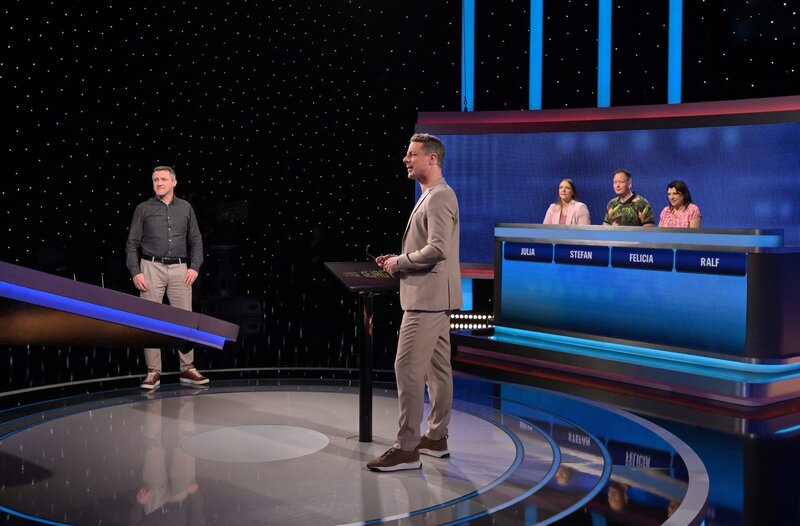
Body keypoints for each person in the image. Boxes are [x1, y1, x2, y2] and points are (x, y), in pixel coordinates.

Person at [367, 133, 462, 472]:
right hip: (436, 297)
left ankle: (407, 448)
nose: (406, 159)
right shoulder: (434, 195)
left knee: (407, 368)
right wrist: (400, 257)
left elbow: (437, 250)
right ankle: (436, 438)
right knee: (438, 371)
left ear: (431, 159)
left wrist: (400, 263)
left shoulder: (439, 197)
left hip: (426, 300)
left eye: (412, 154)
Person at [126, 166, 209, 390]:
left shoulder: (185, 207)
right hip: (150, 267)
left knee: (185, 320)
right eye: (155, 180)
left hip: (180, 269)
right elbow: (132, 243)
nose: (159, 183)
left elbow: (196, 240)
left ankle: (187, 368)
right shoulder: (143, 208)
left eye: (163, 179)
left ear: (174, 182)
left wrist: (194, 267)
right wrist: (135, 271)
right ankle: (153, 371)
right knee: (150, 321)